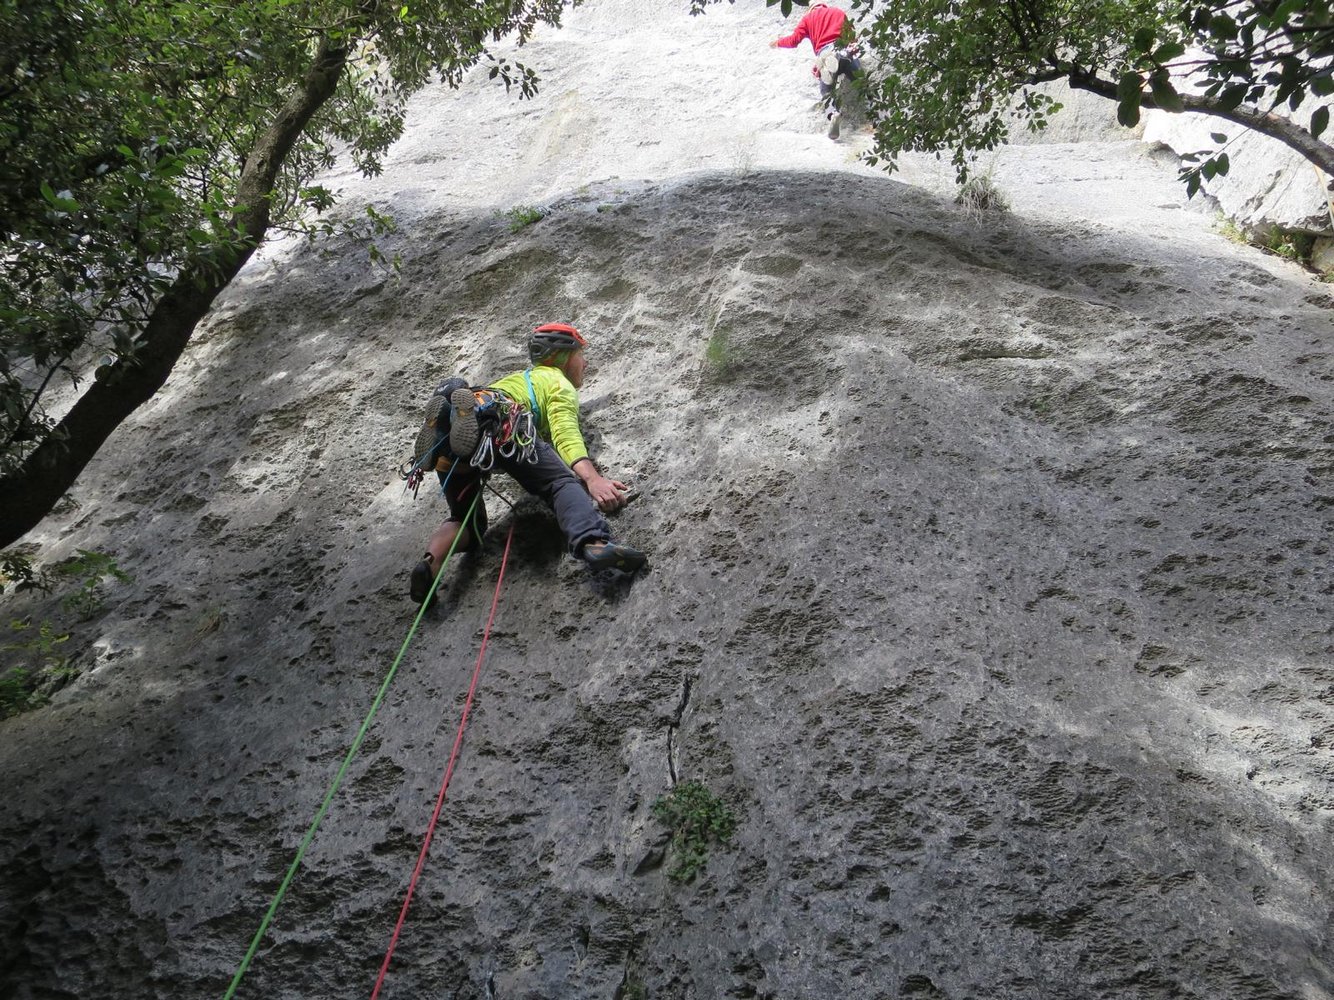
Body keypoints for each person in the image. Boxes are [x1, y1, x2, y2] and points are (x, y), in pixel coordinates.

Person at [408, 322, 646, 605]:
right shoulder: (556, 380)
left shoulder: (515, 380)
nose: (585, 363)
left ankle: (430, 563)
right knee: (560, 483)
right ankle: (593, 543)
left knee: (465, 521)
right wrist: (593, 479)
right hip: (504, 423)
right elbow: (565, 432)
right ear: (563, 357)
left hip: (468, 429)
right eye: (581, 355)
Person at [768, 2, 862, 140]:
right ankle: (879, 117)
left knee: (827, 92)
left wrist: (777, 43)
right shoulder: (838, 12)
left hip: (825, 52)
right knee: (863, 84)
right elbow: (852, 37)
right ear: (824, 5)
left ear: (811, 9)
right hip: (844, 50)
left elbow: (794, 41)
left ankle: (833, 114)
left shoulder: (808, 18)